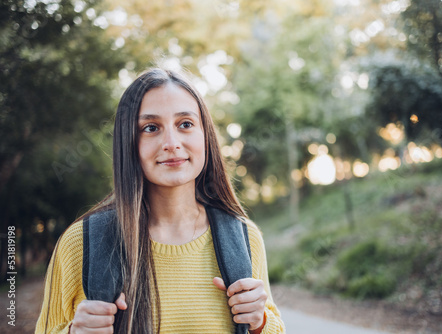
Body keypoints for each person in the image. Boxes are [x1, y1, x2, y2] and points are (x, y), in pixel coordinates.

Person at [35, 68, 285, 333]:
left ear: (205, 136)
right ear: (129, 143)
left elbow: (271, 324)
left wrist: (260, 323)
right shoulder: (80, 243)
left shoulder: (244, 237)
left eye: (185, 124)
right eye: (151, 128)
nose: (171, 142)